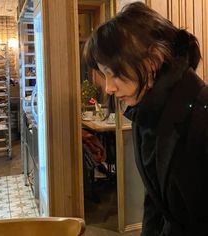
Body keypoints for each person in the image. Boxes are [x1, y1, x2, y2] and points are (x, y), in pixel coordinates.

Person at [83, 2, 208, 236]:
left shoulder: (201, 114)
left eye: (115, 73)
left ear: (152, 61)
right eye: (104, 75)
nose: (109, 87)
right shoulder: (145, 113)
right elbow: (155, 205)